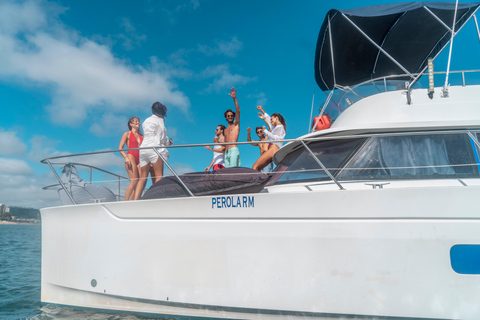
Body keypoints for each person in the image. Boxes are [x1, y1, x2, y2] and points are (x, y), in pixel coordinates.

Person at [134, 102, 172, 200]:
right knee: (158, 176)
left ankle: (134, 201)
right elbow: (162, 138)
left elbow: (150, 135)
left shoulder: (146, 121)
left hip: (143, 149)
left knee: (142, 177)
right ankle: (156, 199)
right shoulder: (160, 121)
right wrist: (169, 142)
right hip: (154, 149)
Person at [252, 106, 286, 172]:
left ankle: (255, 182)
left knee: (254, 167)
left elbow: (277, 139)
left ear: (276, 118)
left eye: (271, 119)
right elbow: (270, 123)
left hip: (273, 149)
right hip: (272, 149)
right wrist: (263, 111)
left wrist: (266, 131)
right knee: (258, 169)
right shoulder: (276, 127)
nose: (270, 121)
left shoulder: (280, 127)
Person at [118, 116, 143, 201]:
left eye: (139, 121)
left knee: (139, 182)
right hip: (131, 156)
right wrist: (125, 157)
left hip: (140, 159)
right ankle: (125, 203)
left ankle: (132, 202)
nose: (138, 123)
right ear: (131, 124)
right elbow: (120, 148)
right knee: (133, 181)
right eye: (136, 121)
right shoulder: (127, 134)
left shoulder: (141, 136)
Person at [223, 87, 241, 167]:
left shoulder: (236, 124)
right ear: (226, 117)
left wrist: (234, 99)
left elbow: (238, 110)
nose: (230, 117)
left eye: (231, 115)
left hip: (233, 150)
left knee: (233, 172)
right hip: (226, 152)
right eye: (228, 116)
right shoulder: (225, 130)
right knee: (227, 173)